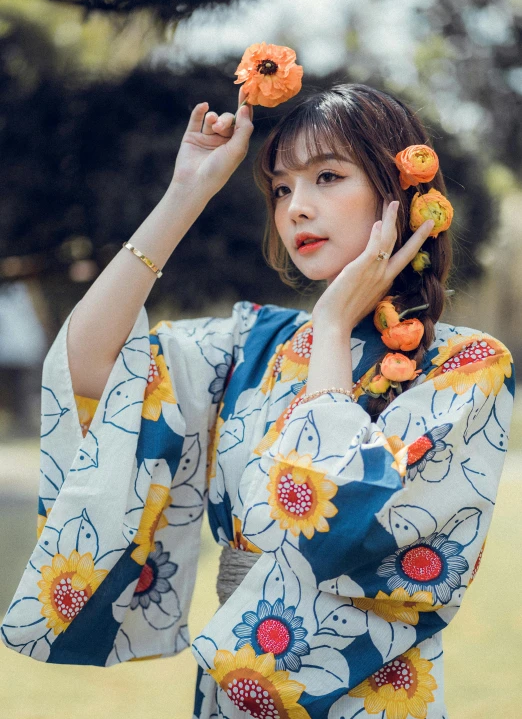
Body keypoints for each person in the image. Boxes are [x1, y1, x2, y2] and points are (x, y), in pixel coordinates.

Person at [1, 83, 515, 719]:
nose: (297, 206)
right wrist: (186, 193)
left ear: (399, 194)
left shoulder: (467, 367)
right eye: (281, 188)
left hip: (372, 697)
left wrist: (331, 329)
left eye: (327, 176)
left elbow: (344, 531)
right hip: (232, 693)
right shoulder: (253, 343)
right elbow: (92, 368)